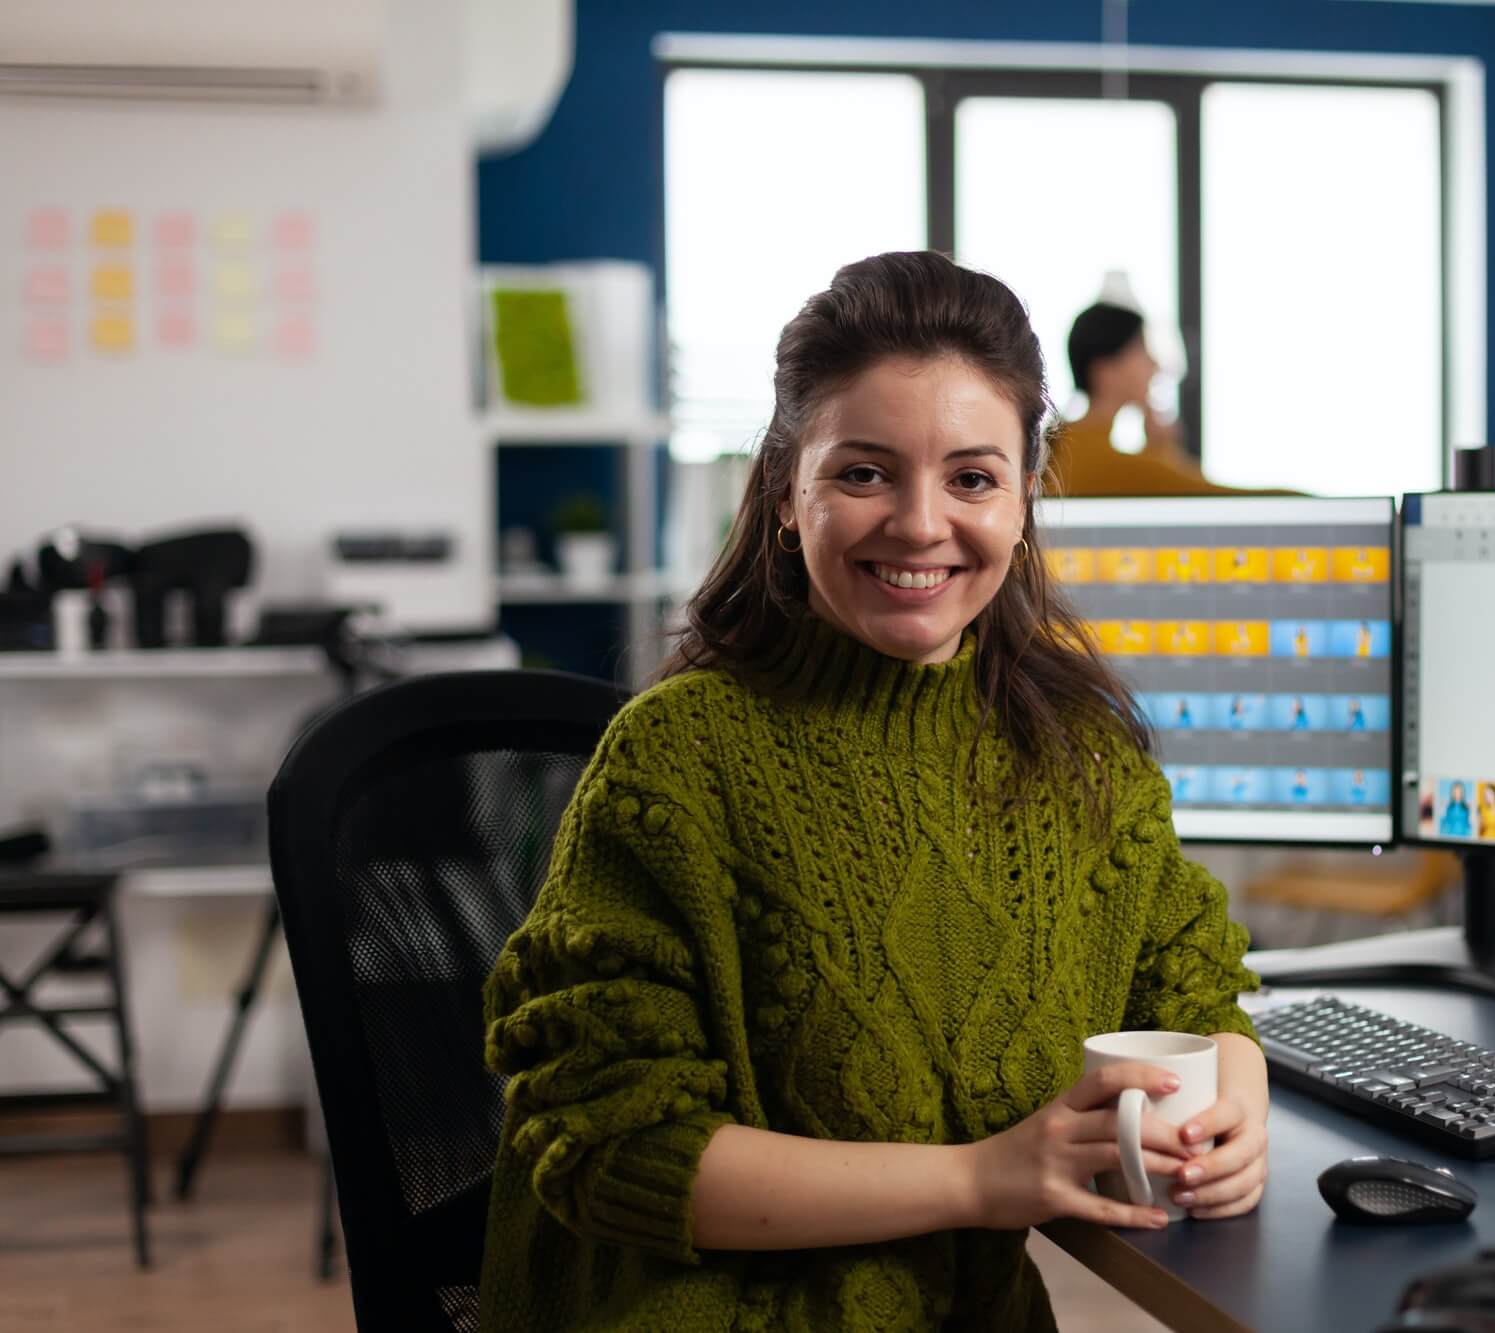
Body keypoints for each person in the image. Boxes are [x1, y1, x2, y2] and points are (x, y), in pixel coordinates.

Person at [477, 252, 1269, 1332]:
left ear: (1025, 498)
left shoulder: (1077, 750)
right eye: (862, 473)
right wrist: (984, 1178)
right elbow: (612, 1145)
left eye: (972, 478)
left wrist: (1237, 1102)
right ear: (785, 492)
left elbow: (1194, 987)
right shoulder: (675, 761)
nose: (918, 522)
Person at [1051, 301, 1238, 497]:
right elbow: (1214, 497)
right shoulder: (1100, 461)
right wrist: (1163, 449)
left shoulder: (1064, 445)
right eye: (1141, 349)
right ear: (1105, 370)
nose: (1154, 363)